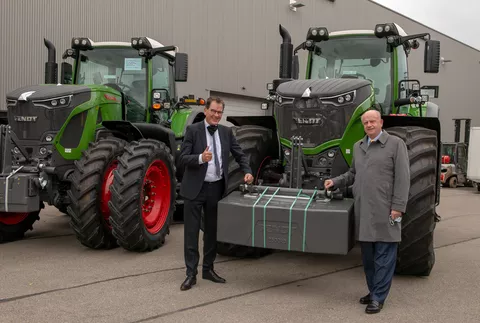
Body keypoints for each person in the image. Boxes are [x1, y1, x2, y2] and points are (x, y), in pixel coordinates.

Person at [324, 109, 410, 314]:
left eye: (372, 121)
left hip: (386, 210)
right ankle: (373, 291)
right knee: (369, 258)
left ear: (381, 122)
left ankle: (379, 297)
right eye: (366, 123)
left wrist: (398, 207)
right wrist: (335, 181)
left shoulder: (396, 145)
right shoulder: (358, 146)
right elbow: (353, 173)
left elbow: (403, 177)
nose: (369, 125)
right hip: (364, 211)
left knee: (384, 256)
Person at [177, 96, 254, 291]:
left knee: (211, 232)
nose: (217, 115)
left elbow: (239, 154)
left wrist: (247, 171)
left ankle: (208, 269)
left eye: (220, 112)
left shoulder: (226, 132)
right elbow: (183, 158)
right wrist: (201, 158)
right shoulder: (193, 131)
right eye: (214, 111)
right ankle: (190, 274)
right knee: (192, 233)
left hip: (216, 188)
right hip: (195, 189)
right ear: (206, 110)